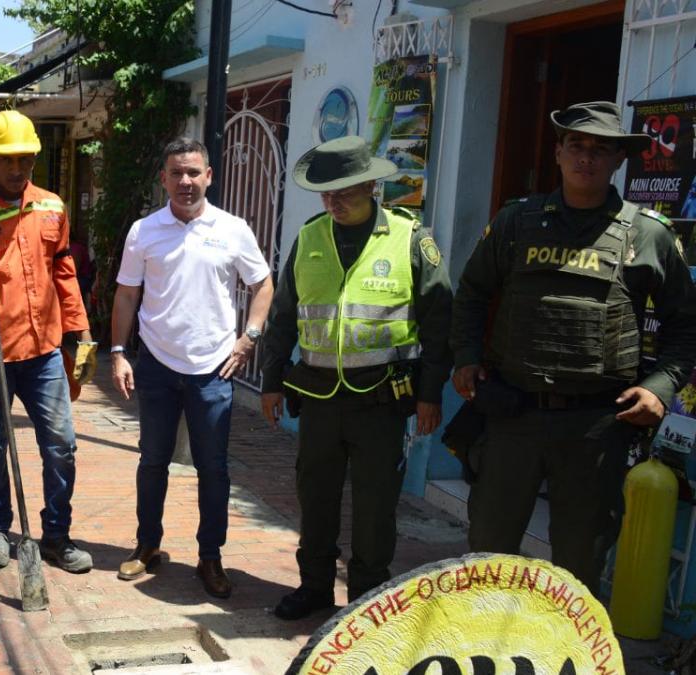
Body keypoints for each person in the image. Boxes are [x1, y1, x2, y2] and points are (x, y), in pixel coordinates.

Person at [451, 101, 696, 592]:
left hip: (597, 426)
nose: (587, 158)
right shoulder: (516, 223)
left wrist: (659, 387)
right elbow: (472, 294)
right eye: (577, 146)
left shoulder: (648, 234)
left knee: (579, 563)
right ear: (558, 153)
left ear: (619, 160)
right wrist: (466, 358)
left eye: (601, 149)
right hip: (513, 415)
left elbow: (685, 326)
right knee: (487, 556)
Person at [258, 136, 453, 619]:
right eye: (326, 193)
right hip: (320, 398)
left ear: (371, 185)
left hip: (382, 402)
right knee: (316, 497)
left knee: (375, 506)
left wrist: (431, 394)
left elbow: (440, 321)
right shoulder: (309, 237)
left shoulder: (411, 239)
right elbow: (283, 317)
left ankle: (366, 597)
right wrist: (271, 380)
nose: (334, 202)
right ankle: (315, 587)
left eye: (344, 191)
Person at [109, 137, 274, 599]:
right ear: (163, 178)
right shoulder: (144, 231)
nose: (185, 181)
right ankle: (147, 545)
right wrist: (119, 352)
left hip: (214, 369)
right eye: (176, 173)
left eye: (193, 172)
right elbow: (126, 294)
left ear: (209, 176)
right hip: (158, 365)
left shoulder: (233, 228)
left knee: (213, 469)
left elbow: (262, 284)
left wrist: (250, 339)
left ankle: (210, 557)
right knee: (152, 461)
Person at [0, 110, 97, 574]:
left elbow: (65, 273)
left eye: (25, 159)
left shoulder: (52, 207)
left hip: (44, 349)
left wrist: (81, 334)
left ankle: (56, 535)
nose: (17, 169)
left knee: (61, 444)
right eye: (8, 160)